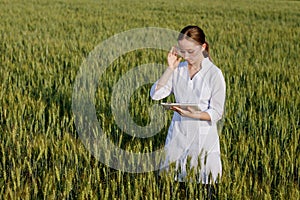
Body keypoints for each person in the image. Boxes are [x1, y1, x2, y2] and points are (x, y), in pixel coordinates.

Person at [150, 25, 226, 198]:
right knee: (173, 187)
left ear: (203, 47)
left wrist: (192, 114)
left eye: (191, 51)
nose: (186, 56)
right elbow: (156, 94)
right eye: (182, 51)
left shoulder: (214, 74)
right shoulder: (179, 70)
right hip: (178, 137)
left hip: (203, 142)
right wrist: (170, 68)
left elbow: (216, 112)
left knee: (204, 187)